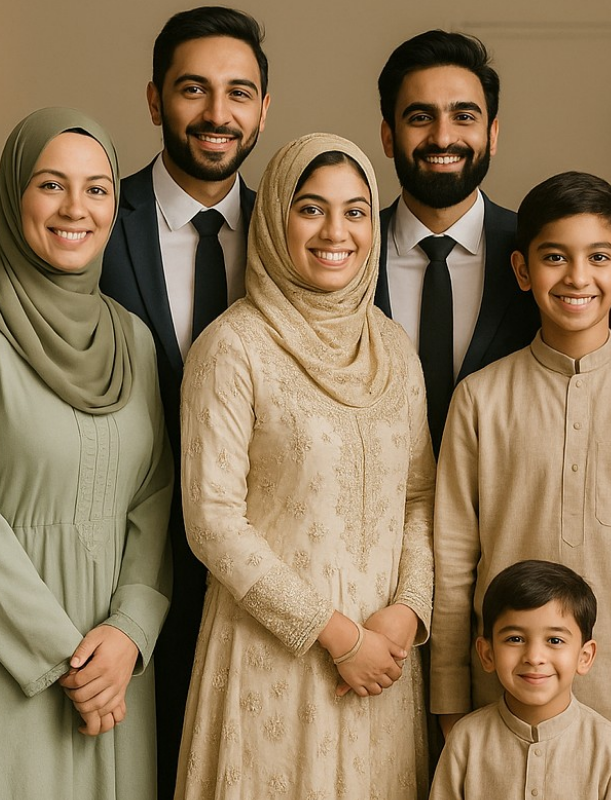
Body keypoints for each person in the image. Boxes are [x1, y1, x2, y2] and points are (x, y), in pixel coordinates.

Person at [430, 171, 611, 798]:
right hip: (499, 710)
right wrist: (450, 699)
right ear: (523, 271)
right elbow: (451, 563)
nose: (578, 277)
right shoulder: (479, 400)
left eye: (598, 257)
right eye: (555, 257)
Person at [174, 134, 434, 799]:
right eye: (311, 208)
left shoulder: (395, 349)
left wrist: (404, 615)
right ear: (276, 218)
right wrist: (336, 635)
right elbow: (211, 521)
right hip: (273, 664)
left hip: (383, 669)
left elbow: (419, 499)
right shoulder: (232, 346)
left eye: (354, 211)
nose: (335, 231)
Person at [0, 107, 172, 799]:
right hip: (5, 656)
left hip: (117, 667)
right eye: (50, 185)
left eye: (96, 189)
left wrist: (128, 632)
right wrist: (68, 660)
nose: (74, 209)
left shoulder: (133, 341)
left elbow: (154, 501)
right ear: (12, 195)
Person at [98, 8, 271, 793]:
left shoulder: (296, 231)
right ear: (154, 98)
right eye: (194, 89)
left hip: (255, 571)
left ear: (264, 109)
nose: (217, 114)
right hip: (114, 564)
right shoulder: (96, 219)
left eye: (240, 93)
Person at [375, 29, 539, 452]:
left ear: (493, 133)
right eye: (420, 117)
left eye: (464, 116)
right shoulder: (344, 253)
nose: (443, 138)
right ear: (389, 136)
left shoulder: (538, 254)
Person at [430, 560, 611, 800]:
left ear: (584, 657)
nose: (534, 657)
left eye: (554, 640)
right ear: (487, 654)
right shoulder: (466, 740)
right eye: (515, 639)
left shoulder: (610, 747)